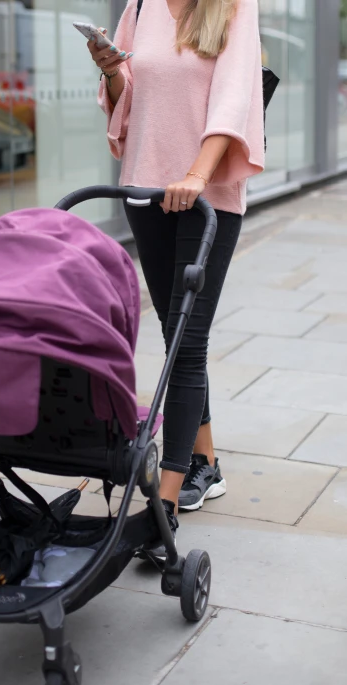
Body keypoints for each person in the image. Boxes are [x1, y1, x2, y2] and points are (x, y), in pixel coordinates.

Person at [89, 0, 265, 558]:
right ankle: (206, 463)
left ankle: (164, 500)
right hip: (144, 185)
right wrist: (113, 72)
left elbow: (235, 98)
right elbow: (128, 103)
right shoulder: (140, 6)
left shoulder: (235, 6)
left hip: (204, 194)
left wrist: (195, 174)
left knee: (187, 346)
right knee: (175, 332)